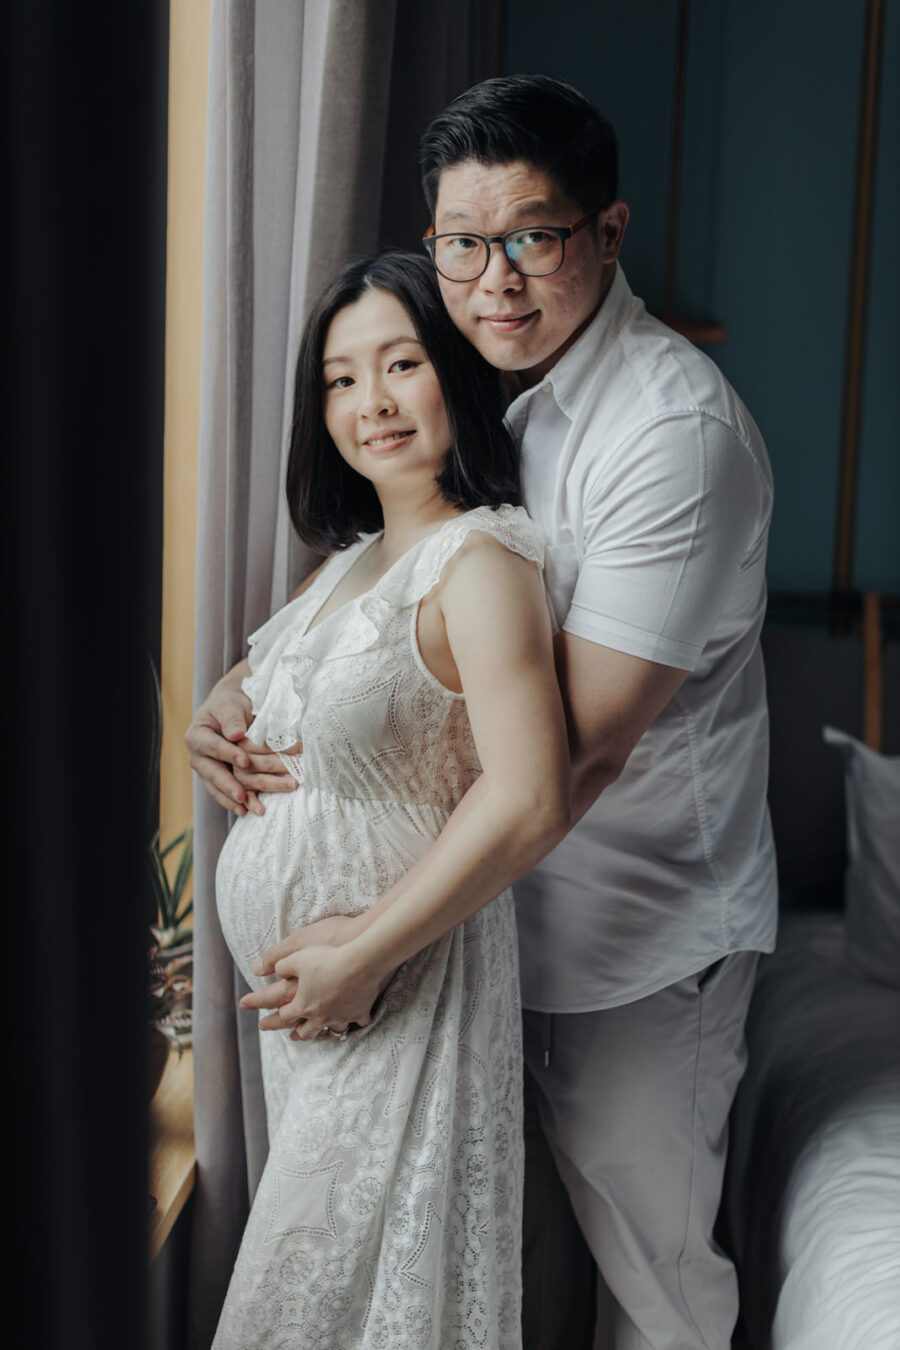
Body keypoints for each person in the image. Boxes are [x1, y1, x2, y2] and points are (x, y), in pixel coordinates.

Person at [188, 76, 777, 1350]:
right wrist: (246, 691)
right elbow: (382, 592)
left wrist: (370, 946)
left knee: (650, 1281)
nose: (494, 278)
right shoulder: (468, 390)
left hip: (631, 939)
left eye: (533, 237)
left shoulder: (669, 432)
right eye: (463, 241)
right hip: (464, 942)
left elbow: (572, 757)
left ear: (606, 235)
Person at [207, 250, 569, 1350]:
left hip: (400, 986)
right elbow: (283, 682)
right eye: (341, 379)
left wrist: (365, 950)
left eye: (402, 363)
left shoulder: (482, 566)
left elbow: (530, 799)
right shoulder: (350, 562)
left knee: (330, 1316)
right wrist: (216, 714)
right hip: (314, 1019)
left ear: (455, 371)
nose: (371, 403)